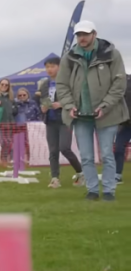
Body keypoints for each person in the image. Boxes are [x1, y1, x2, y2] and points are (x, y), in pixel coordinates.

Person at [55, 21, 128, 201]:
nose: (82, 38)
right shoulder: (68, 58)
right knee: (86, 156)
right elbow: (61, 85)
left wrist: (105, 106)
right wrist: (69, 105)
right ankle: (92, 190)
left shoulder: (111, 53)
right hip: (80, 116)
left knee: (107, 155)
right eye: (79, 35)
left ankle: (109, 190)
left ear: (94, 34)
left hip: (107, 114)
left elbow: (119, 84)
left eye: (85, 34)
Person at [37, 56, 84, 188]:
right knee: (53, 151)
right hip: (50, 120)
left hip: (64, 120)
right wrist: (43, 108)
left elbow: (76, 99)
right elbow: (43, 100)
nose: (49, 69)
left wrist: (62, 104)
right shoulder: (44, 84)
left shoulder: (67, 81)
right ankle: (55, 178)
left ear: (59, 67)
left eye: (52, 66)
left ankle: (80, 172)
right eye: (47, 67)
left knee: (64, 148)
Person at [115, 76, 131, 184]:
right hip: (126, 124)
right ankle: (117, 175)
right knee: (118, 148)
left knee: (119, 148)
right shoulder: (123, 82)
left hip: (125, 123)